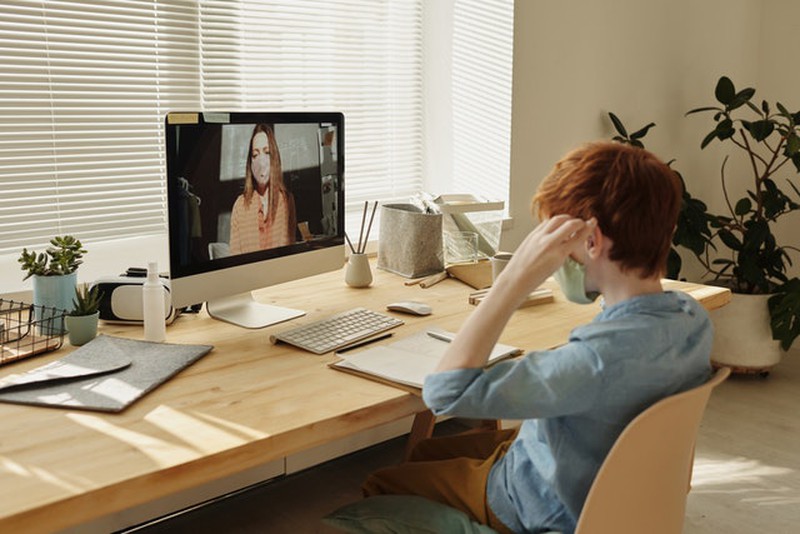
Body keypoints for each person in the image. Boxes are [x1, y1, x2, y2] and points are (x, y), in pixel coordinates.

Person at [362, 141, 713, 533]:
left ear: (592, 240)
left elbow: (444, 392)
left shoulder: (592, 363)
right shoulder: (692, 319)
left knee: (383, 481)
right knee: (426, 452)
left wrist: (514, 280)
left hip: (537, 505)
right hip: (600, 487)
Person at [229, 124, 297, 253]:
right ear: (250, 162)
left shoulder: (287, 201)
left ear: (274, 158)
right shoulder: (239, 206)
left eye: (267, 153)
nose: (261, 162)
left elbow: (288, 254)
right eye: (255, 155)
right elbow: (234, 258)